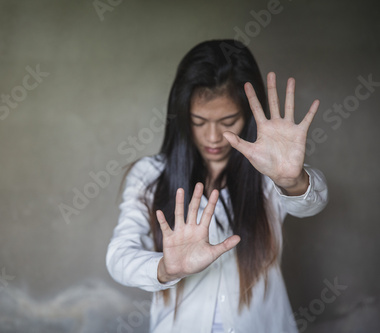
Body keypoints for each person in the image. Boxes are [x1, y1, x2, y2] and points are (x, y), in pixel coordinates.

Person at [106, 39, 328, 333]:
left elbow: (313, 202)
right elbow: (118, 256)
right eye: (198, 121)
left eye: (228, 120)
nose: (212, 137)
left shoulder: (266, 174)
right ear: (182, 116)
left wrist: (292, 180)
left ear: (248, 114)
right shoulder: (149, 175)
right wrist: (165, 268)